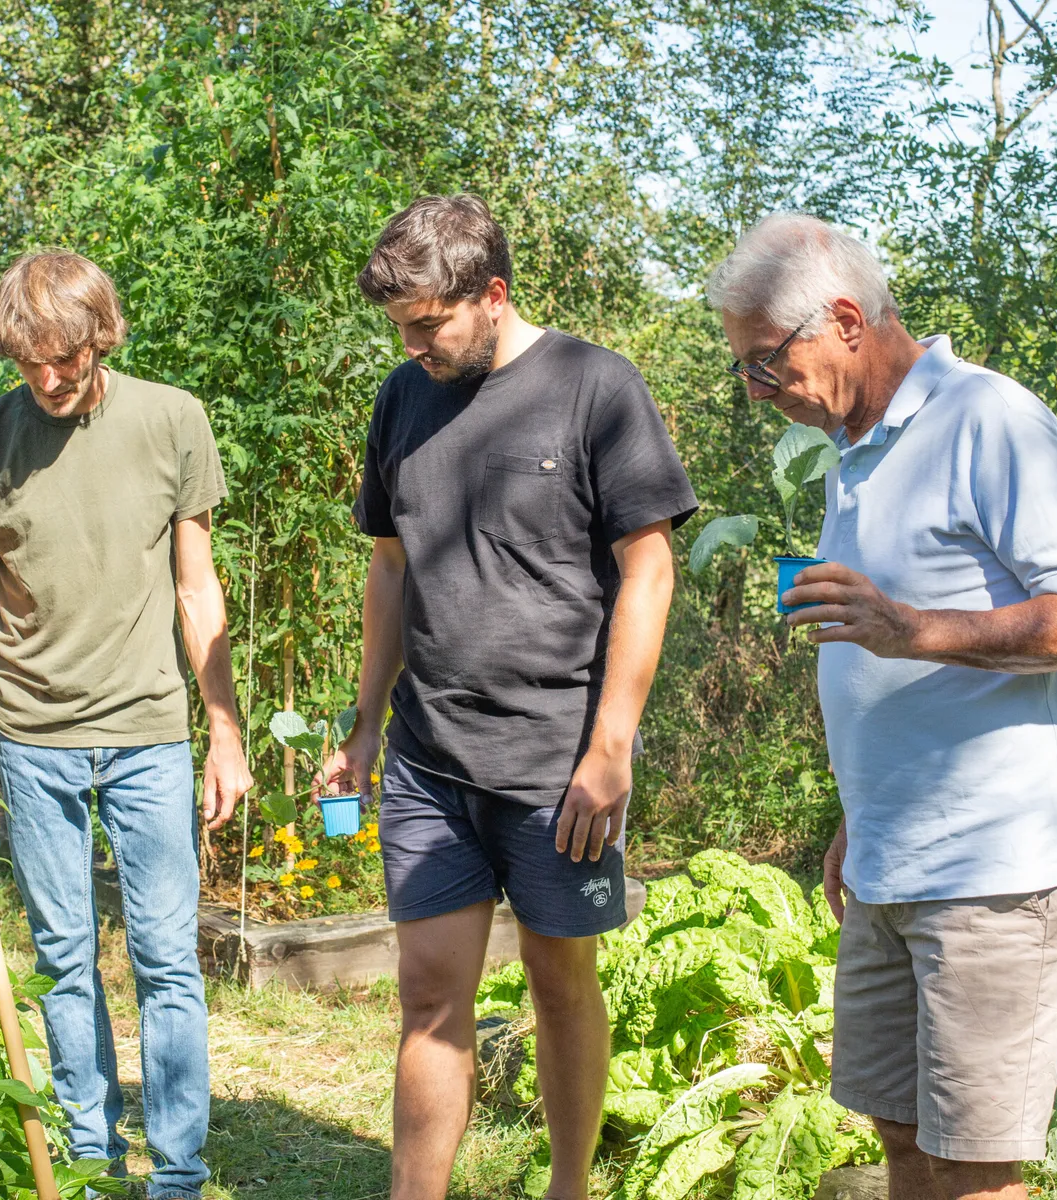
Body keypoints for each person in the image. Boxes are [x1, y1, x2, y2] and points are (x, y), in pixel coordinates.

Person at [707, 214, 1057, 1200]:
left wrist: (914, 628)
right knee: (899, 1135)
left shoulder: (990, 419)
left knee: (974, 1167)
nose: (757, 389)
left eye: (766, 362)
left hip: (994, 871)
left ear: (845, 321)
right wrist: (859, 819)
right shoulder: (853, 448)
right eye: (745, 368)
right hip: (889, 862)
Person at [320, 194, 698, 1200]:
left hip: (558, 764)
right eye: (400, 328)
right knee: (430, 996)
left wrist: (610, 747)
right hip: (430, 757)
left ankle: (569, 1187)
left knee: (559, 984)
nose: (413, 347)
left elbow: (650, 571)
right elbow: (391, 568)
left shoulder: (596, 387)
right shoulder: (405, 398)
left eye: (429, 324)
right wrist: (364, 725)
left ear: (493, 294)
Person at [0, 250, 254, 1200]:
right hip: (33, 741)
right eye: (28, 362)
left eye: (65, 358)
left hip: (149, 732)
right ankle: (91, 1167)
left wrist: (225, 732)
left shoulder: (172, 419)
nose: (48, 378)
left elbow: (197, 591)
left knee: (167, 961)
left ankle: (178, 1176)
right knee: (64, 962)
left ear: (102, 337)